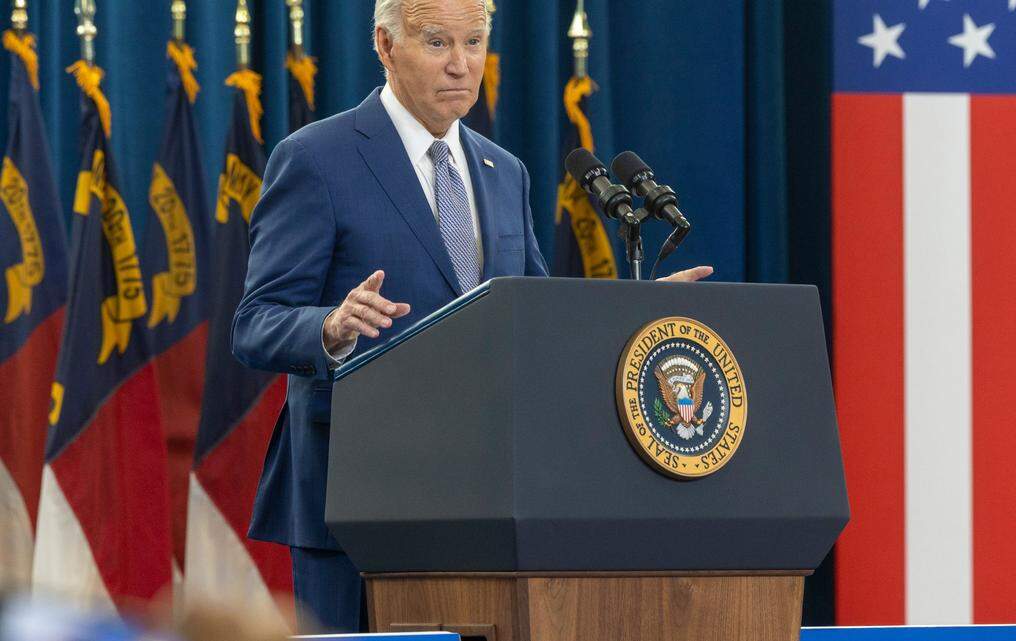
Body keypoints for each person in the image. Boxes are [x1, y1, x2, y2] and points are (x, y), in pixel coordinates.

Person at [231, 0, 712, 632]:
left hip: (484, 493)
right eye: (437, 43)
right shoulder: (318, 158)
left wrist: (635, 315)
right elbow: (255, 321)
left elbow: (536, 318)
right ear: (384, 44)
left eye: (475, 43)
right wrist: (329, 326)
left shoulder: (501, 169)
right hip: (354, 493)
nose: (462, 65)